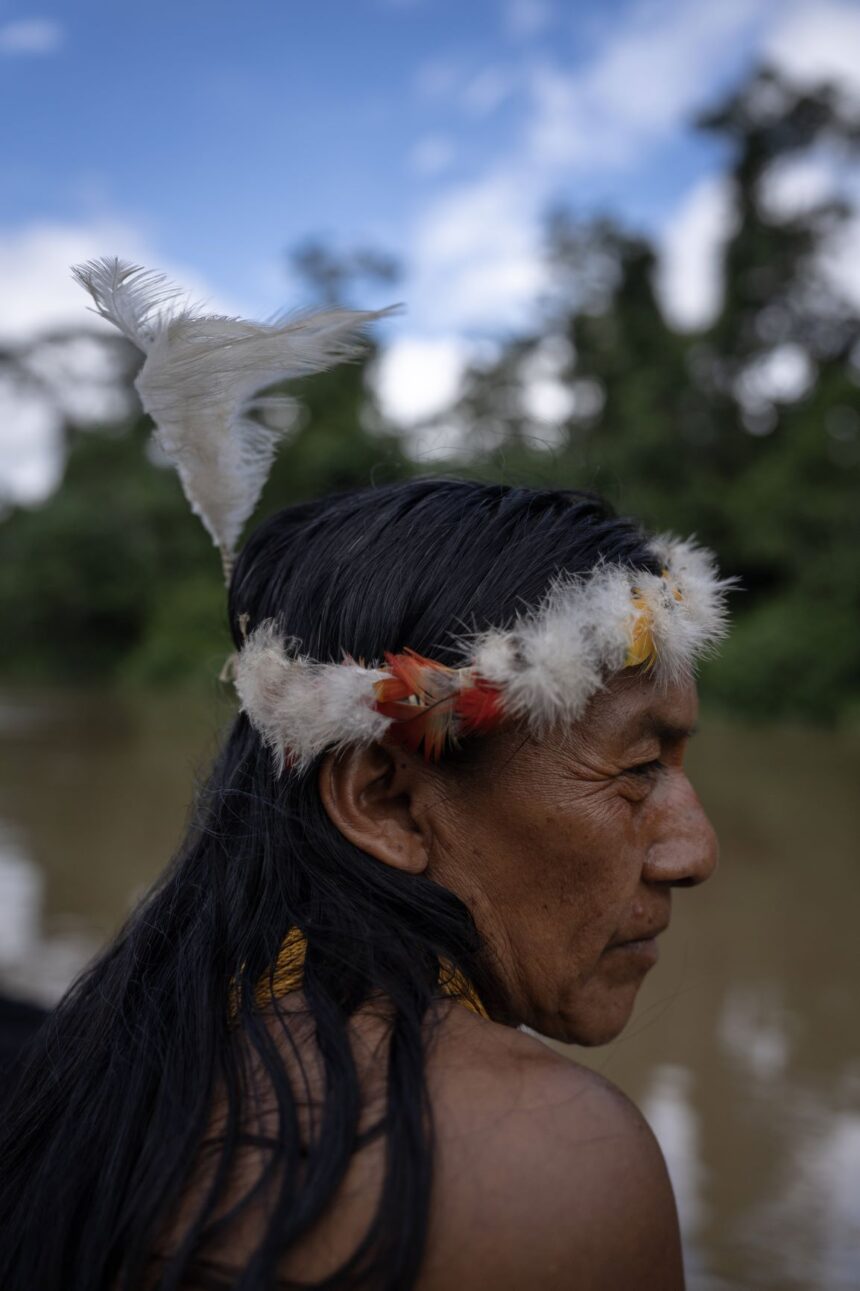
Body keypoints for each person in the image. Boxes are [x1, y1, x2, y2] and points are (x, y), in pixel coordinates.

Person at [0, 263, 733, 1291]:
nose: (692, 850)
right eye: (637, 767)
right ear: (384, 802)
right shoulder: (548, 1168)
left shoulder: (102, 1066)